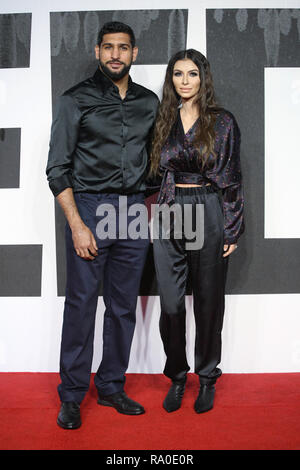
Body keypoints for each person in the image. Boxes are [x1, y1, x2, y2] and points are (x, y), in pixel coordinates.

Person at [46, 21, 159, 429]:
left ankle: (112, 386)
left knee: (123, 307)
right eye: (108, 47)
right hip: (90, 208)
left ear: (135, 53)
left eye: (123, 48)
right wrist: (76, 224)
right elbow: (57, 168)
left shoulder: (149, 102)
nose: (116, 54)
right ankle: (72, 396)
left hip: (133, 212)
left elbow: (157, 160)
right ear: (97, 51)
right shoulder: (74, 99)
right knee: (80, 306)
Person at [150, 49, 244, 414]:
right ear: (171, 79)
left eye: (192, 74)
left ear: (204, 77)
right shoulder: (164, 118)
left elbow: (233, 178)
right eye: (178, 74)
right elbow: (155, 172)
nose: (185, 81)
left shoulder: (222, 121)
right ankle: (176, 377)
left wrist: (232, 229)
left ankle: (207, 378)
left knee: (208, 301)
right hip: (170, 210)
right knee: (171, 302)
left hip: (208, 208)